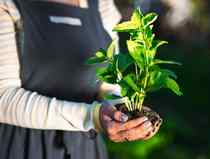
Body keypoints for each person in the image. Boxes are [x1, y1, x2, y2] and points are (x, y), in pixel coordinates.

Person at [0, 0, 161, 159]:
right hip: (22, 146)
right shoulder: (7, 4)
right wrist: (93, 117)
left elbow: (109, 82)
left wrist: (122, 111)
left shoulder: (101, 4)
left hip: (86, 148)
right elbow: (3, 98)